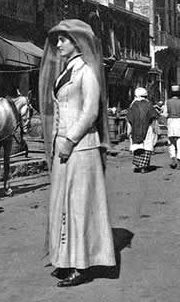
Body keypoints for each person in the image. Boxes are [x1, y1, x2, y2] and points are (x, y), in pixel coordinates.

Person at [39, 19, 115, 287]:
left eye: (63, 39)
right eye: (57, 40)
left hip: (81, 147)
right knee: (63, 204)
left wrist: (70, 140)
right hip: (63, 147)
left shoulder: (87, 71)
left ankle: (82, 264)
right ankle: (66, 259)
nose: (58, 45)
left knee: (79, 205)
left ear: (77, 42)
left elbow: (91, 112)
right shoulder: (64, 72)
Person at [126, 87, 158, 173]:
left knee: (138, 148)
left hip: (136, 130)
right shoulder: (149, 105)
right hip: (148, 129)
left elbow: (129, 119)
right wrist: (155, 130)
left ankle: (139, 165)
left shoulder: (133, 106)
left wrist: (128, 131)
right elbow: (153, 118)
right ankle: (144, 167)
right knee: (147, 148)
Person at [162, 85, 180, 170]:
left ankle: (173, 159)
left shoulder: (167, 102)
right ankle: (178, 162)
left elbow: (165, 114)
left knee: (171, 143)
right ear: (178, 93)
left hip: (170, 123)